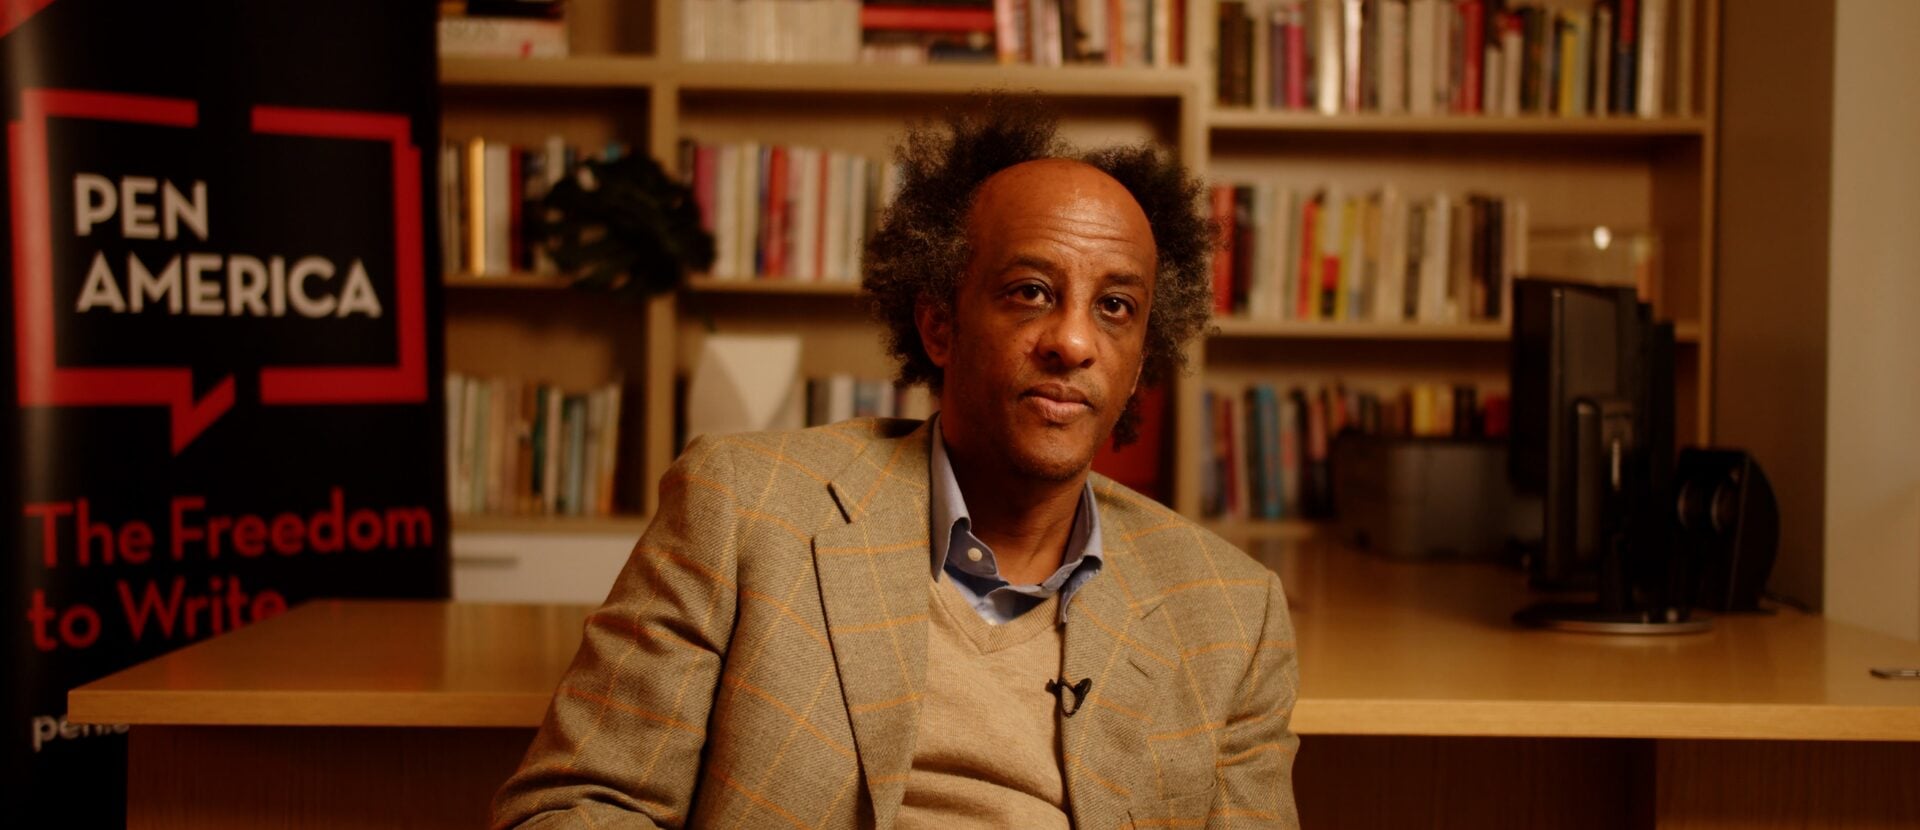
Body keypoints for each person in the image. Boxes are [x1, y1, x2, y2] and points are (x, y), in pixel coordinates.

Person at [492, 97, 1299, 829]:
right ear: (939, 326)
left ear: (1139, 358)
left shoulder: (1233, 616)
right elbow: (572, 808)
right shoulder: (743, 508)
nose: (1074, 342)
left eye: (1115, 307)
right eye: (1029, 291)